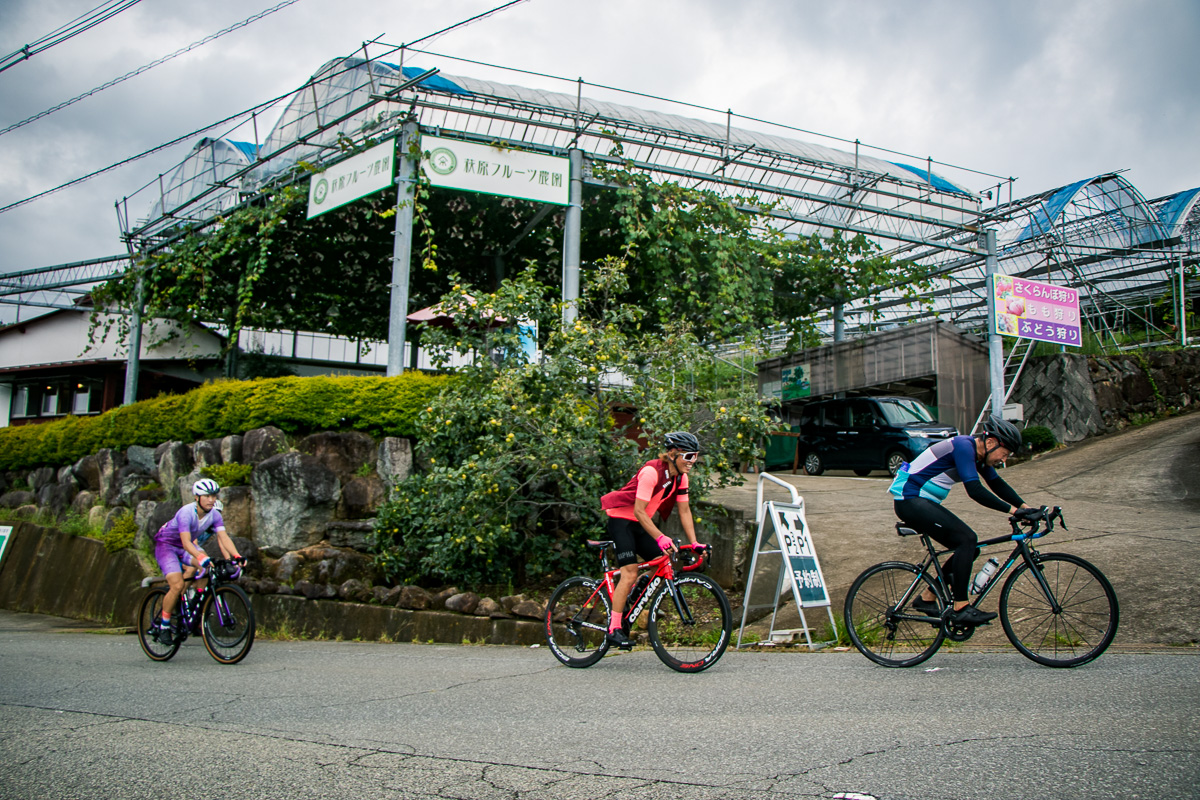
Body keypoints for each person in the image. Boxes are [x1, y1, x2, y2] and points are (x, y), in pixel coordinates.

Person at [889, 414, 1032, 626]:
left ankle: (927, 598)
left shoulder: (978, 455)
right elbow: (974, 490)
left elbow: (996, 484)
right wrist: (1013, 511)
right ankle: (961, 607)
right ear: (991, 442)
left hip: (921, 500)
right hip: (910, 499)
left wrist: (1026, 508)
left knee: (969, 549)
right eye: (1005, 453)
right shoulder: (964, 447)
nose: (1004, 460)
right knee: (967, 539)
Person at [600, 431, 701, 649]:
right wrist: (660, 536)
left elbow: (684, 511)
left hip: (639, 524)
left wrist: (694, 543)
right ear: (673, 453)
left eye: (695, 456)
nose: (693, 461)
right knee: (629, 572)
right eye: (689, 456)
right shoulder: (651, 472)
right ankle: (614, 628)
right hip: (622, 521)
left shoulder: (681, 477)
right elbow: (639, 511)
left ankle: (635, 595)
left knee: (662, 562)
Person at [152, 478, 243, 645]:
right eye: (207, 496)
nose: (211, 500)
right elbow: (187, 543)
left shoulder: (215, 515)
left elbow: (223, 538)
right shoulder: (186, 513)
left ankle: (195, 599)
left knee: (210, 568)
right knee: (177, 584)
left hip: (184, 548)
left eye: (214, 496)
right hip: (167, 546)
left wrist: (236, 556)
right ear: (197, 497)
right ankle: (164, 625)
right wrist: (201, 557)